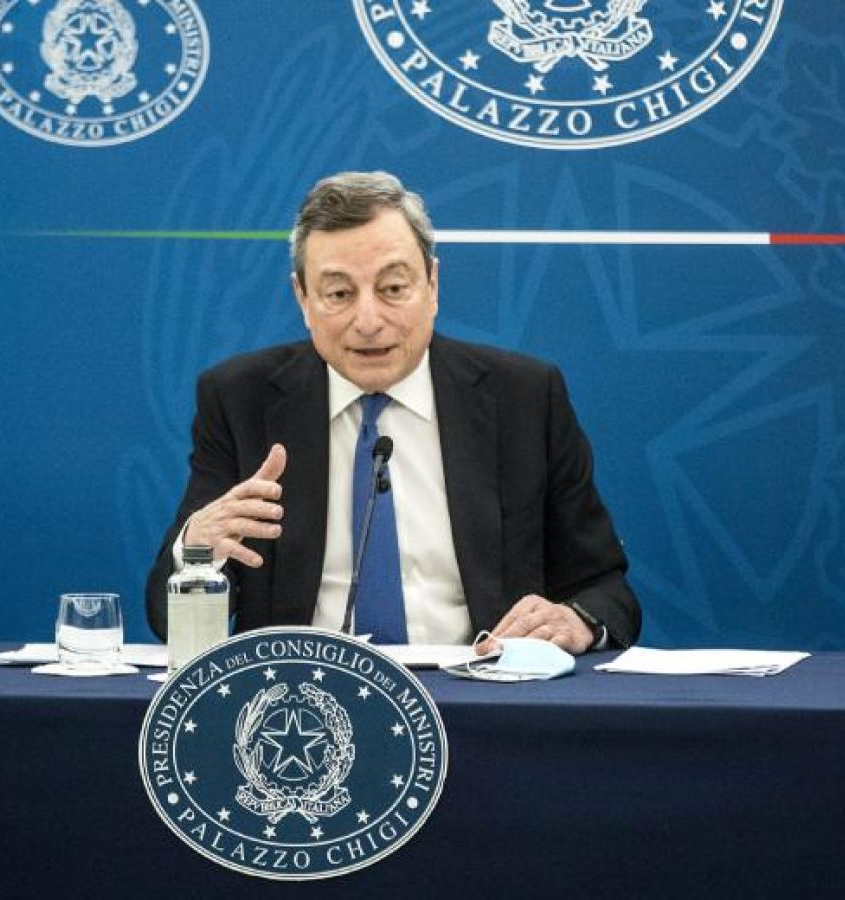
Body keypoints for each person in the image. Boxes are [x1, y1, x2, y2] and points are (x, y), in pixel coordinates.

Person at [145, 171, 640, 653]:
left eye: (393, 288)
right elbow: (166, 620)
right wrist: (197, 551)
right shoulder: (241, 400)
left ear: (433, 284)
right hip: (301, 693)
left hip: (482, 690)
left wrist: (576, 620)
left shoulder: (524, 398)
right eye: (340, 294)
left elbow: (605, 590)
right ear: (303, 298)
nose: (368, 321)